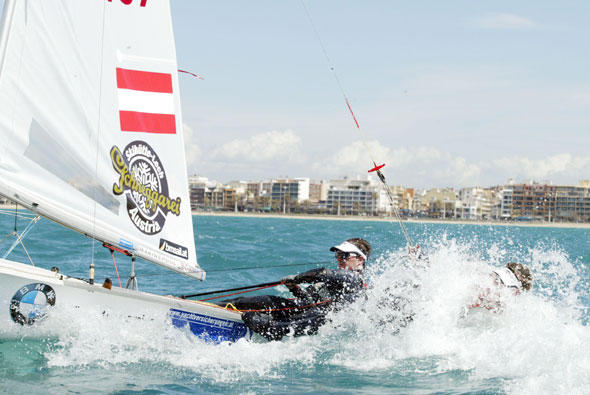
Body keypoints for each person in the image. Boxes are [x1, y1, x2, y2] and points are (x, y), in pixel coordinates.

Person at [218, 238, 371, 340]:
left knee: (322, 317)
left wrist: (297, 278)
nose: (339, 259)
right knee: (253, 301)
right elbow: (308, 302)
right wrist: (293, 287)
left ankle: (269, 329)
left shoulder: (355, 279)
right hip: (304, 313)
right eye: (338, 255)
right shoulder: (338, 278)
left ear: (360, 259)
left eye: (344, 255)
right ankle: (213, 309)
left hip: (319, 323)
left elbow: (322, 273)